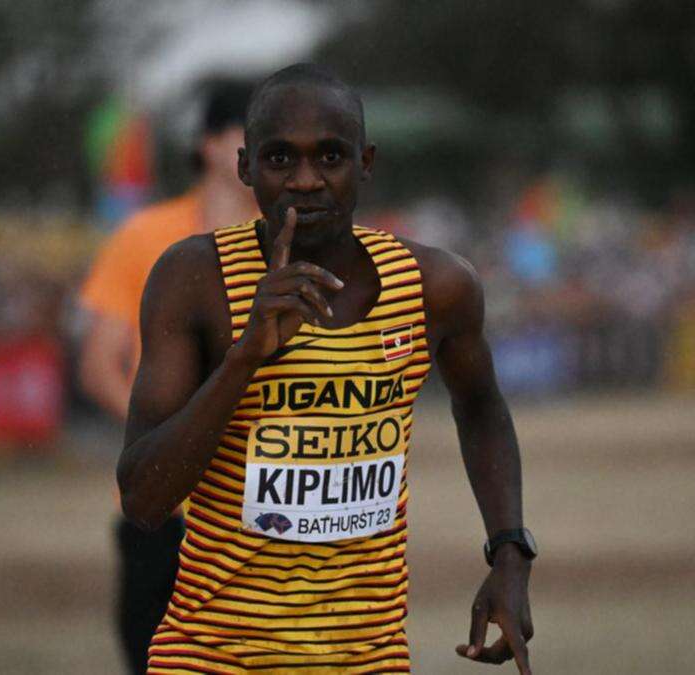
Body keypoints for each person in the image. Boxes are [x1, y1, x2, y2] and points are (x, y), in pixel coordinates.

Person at [119, 64, 535, 673]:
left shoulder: (434, 286)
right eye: (280, 159)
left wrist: (510, 553)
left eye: (331, 157)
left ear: (365, 163)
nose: (307, 181)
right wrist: (246, 356)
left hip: (368, 660)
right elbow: (144, 500)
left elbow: (481, 406)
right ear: (244, 168)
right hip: (213, 659)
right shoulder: (195, 279)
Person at [77, 82, 260, 674]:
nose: (264, 153)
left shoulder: (292, 240)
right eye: (248, 136)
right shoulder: (143, 236)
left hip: (259, 517)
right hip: (162, 509)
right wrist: (172, 433)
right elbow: (99, 365)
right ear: (208, 144)